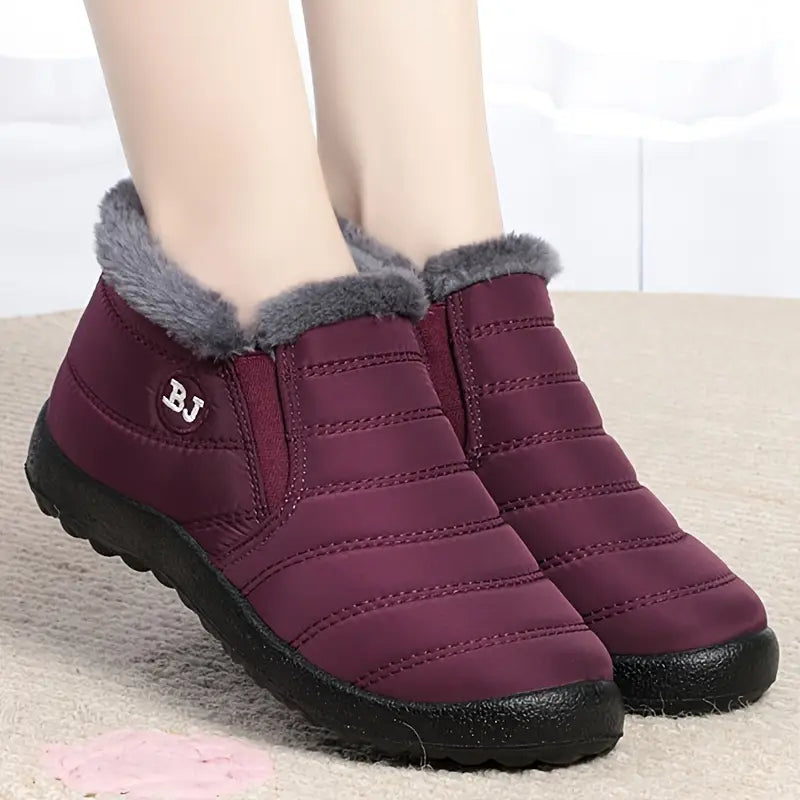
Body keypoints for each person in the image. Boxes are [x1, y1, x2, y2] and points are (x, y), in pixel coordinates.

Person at [25, 0, 777, 766]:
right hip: (225, 347)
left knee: (418, 183)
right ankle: (234, 252)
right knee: (239, 217)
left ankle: (415, 228)